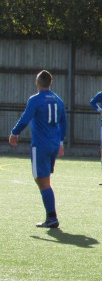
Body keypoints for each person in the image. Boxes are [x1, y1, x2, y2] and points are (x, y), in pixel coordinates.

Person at [9, 70, 67, 228]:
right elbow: (64, 122)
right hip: (54, 144)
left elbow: (25, 118)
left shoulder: (35, 99)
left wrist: (14, 132)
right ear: (50, 82)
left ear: (38, 82)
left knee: (43, 181)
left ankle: (52, 217)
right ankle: (51, 216)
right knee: (43, 179)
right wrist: (61, 142)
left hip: (41, 145)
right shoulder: (58, 100)